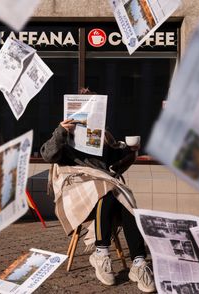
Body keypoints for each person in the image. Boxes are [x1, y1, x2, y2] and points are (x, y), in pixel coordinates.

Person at [40, 111, 155, 293]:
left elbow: (117, 163)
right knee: (108, 189)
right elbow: (47, 155)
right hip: (75, 186)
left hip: (104, 185)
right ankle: (101, 253)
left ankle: (138, 263)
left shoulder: (103, 137)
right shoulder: (64, 134)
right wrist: (61, 131)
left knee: (123, 198)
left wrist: (131, 151)